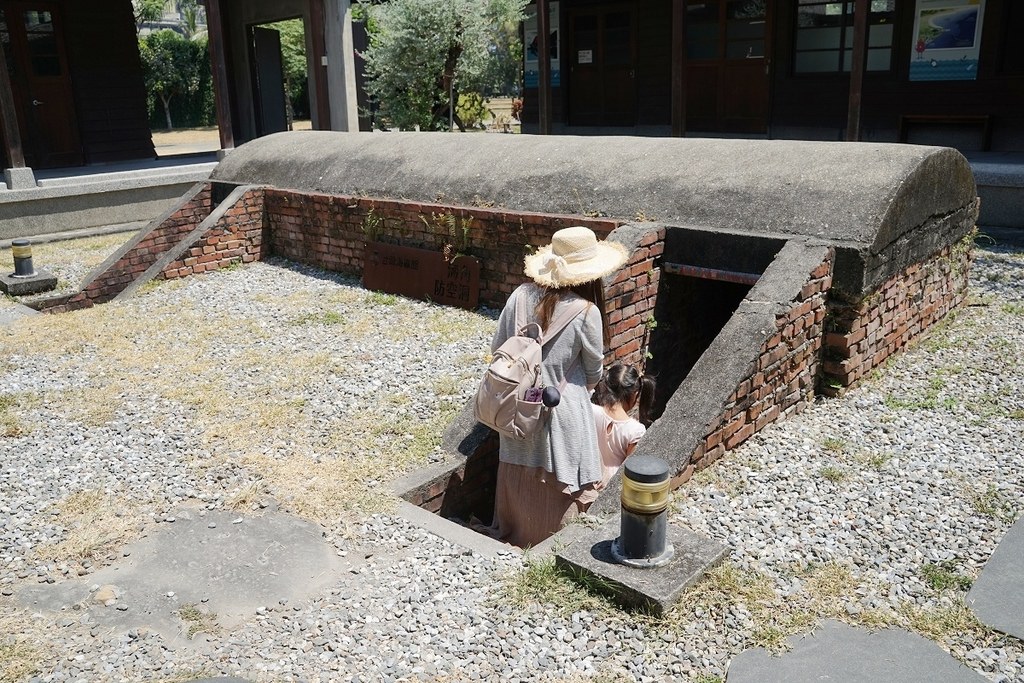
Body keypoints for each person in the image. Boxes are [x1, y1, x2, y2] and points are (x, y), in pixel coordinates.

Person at [488, 225, 628, 548]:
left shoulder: (518, 297)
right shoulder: (586, 312)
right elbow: (594, 374)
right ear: (590, 273)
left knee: (518, 480)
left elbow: (498, 349)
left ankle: (513, 532)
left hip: (516, 410)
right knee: (558, 515)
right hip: (558, 417)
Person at [590, 362, 656, 489]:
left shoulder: (590, 411)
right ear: (635, 394)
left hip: (590, 481)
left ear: (607, 386)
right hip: (615, 488)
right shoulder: (635, 430)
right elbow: (631, 469)